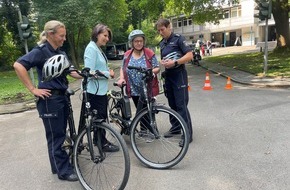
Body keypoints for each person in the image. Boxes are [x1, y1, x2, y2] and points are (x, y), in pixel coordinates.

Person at [13, 20, 81, 181]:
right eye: (61, 35)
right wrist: (33, 89)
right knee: (56, 136)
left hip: (62, 97)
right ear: (51, 34)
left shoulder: (60, 52)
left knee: (60, 133)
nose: (64, 39)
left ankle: (57, 166)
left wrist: (88, 74)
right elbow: (18, 65)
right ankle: (63, 171)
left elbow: (71, 72)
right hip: (49, 100)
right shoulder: (41, 51)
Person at [155, 18, 193, 145]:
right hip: (169, 76)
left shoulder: (178, 39)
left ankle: (187, 134)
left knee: (181, 104)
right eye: (158, 30)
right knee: (172, 104)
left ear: (169, 27)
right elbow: (165, 58)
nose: (160, 32)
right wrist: (163, 63)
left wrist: (175, 62)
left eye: (162, 29)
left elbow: (189, 55)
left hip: (179, 75)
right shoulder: (162, 44)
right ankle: (176, 127)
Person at [83, 24, 119, 152]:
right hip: (94, 91)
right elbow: (89, 72)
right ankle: (101, 143)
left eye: (108, 36)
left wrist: (106, 70)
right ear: (97, 34)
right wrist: (109, 74)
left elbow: (98, 68)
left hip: (100, 90)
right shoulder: (91, 49)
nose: (107, 38)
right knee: (100, 119)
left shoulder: (97, 48)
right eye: (104, 35)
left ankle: (99, 140)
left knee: (101, 117)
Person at [117, 29, 160, 114]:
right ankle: (143, 127)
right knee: (140, 112)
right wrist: (122, 78)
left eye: (141, 41)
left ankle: (149, 127)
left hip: (147, 89)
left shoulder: (149, 53)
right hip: (134, 89)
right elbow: (122, 68)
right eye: (136, 41)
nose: (139, 43)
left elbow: (157, 67)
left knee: (148, 112)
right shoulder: (127, 54)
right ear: (132, 42)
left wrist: (150, 71)